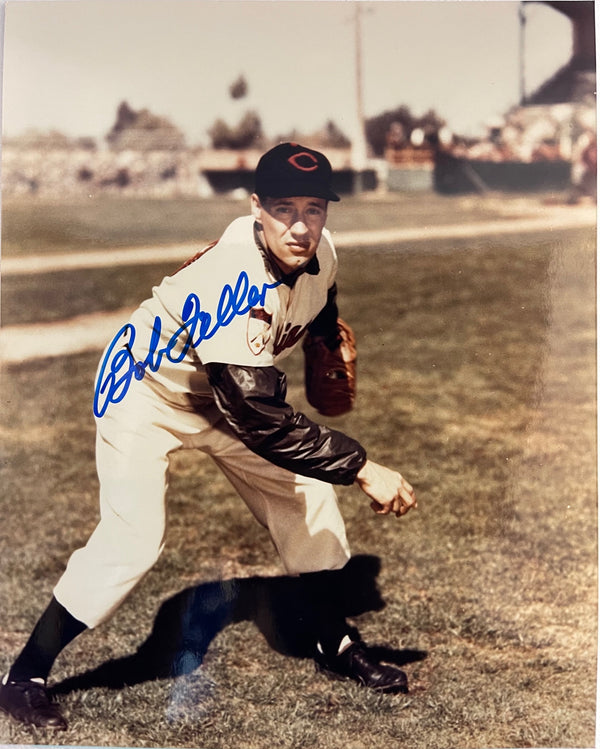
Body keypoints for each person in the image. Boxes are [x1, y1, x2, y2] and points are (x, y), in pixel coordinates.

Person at [0, 142, 417, 731]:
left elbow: (322, 300)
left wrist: (322, 341)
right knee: (133, 538)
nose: (300, 226)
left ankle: (334, 642)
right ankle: (24, 677)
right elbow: (258, 416)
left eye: (314, 208)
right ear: (256, 208)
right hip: (144, 392)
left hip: (223, 395)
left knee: (307, 498)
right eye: (283, 209)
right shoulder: (235, 275)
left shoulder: (321, 251)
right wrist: (361, 467)